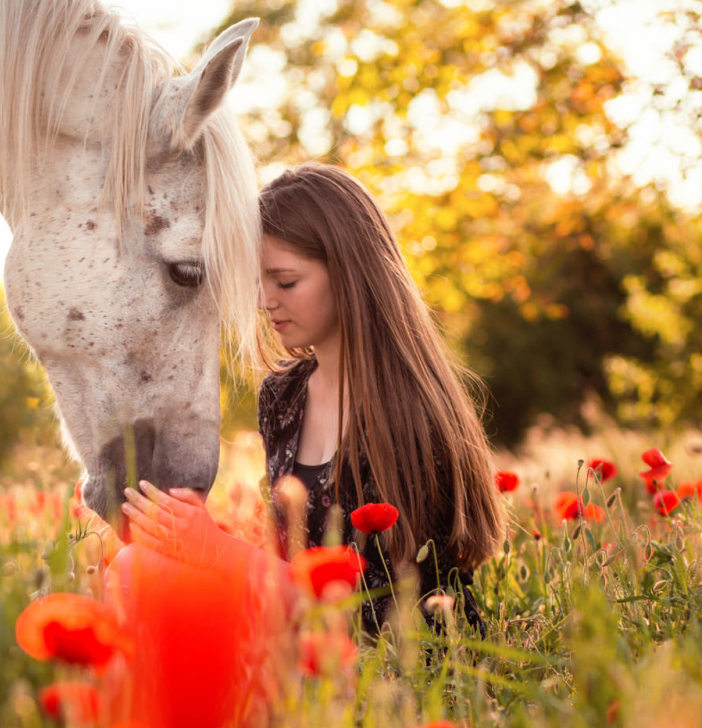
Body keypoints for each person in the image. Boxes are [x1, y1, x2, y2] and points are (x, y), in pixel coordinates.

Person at [123, 163, 505, 637]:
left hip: (392, 662)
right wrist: (192, 530)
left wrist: (217, 553)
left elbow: (376, 614)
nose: (265, 301)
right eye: (259, 281)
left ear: (349, 274)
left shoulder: (411, 413)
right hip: (301, 635)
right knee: (133, 565)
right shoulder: (282, 396)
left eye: (285, 282)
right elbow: (289, 564)